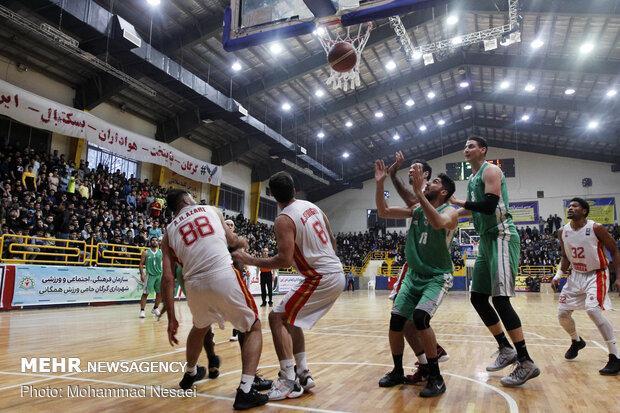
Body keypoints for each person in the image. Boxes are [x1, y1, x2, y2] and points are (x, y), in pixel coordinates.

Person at [233, 171, 345, 401]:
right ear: (295, 189)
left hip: (320, 276)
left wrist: (250, 259)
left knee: (276, 318)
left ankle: (288, 381)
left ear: (273, 196)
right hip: (333, 270)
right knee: (291, 318)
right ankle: (303, 373)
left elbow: (283, 260)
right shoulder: (313, 207)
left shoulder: (284, 219)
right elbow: (332, 240)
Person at [161, 190, 268, 410]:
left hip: (194, 285)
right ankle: (246, 389)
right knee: (253, 327)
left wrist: (172, 318)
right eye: (191, 196)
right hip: (221, 273)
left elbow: (168, 278)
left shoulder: (169, 232)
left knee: (199, 327)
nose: (193, 198)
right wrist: (243, 241)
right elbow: (233, 241)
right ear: (185, 200)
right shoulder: (211, 210)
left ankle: (190, 372)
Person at [451, 136, 540, 387]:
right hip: (486, 240)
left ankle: (526, 361)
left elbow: (489, 206)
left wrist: (459, 203)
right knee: (478, 297)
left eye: (471, 146)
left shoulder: (491, 170)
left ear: (483, 150)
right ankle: (505, 348)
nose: (466, 149)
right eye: (465, 145)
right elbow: (472, 209)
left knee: (500, 299)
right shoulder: (471, 179)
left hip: (502, 234)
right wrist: (446, 214)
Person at [375, 159, 457, 397]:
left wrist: (420, 193)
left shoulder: (450, 212)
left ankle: (436, 376)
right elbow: (383, 211)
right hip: (413, 275)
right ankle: (398, 370)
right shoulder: (417, 209)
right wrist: (380, 184)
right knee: (397, 321)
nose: (428, 183)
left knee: (420, 318)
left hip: (437, 276)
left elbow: (437, 222)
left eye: (435, 182)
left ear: (443, 192)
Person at [552, 198, 620, 375]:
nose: (571, 208)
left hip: (596, 274)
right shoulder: (562, 231)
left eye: (575, 206)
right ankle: (576, 341)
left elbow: (614, 250)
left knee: (592, 309)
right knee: (562, 314)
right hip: (576, 276)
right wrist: (559, 275)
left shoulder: (596, 228)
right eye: (569, 206)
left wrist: (619, 277)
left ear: (584, 211)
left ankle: (615, 357)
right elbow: (565, 256)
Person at [138, 237, 162, 318]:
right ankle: (142, 310)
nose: (154, 242)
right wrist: (142, 274)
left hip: (159, 275)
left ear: (158, 242)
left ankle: (155, 308)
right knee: (145, 293)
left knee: (160, 293)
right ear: (150, 242)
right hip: (150, 275)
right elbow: (141, 264)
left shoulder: (161, 252)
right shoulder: (145, 252)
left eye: (156, 240)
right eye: (153, 240)